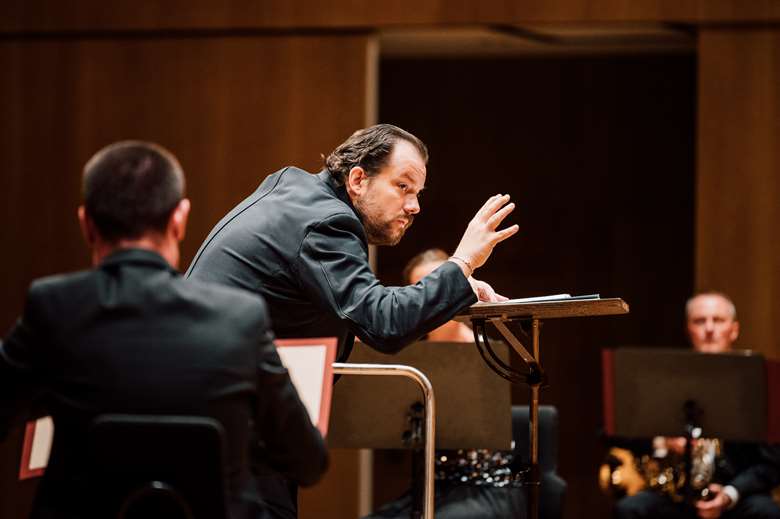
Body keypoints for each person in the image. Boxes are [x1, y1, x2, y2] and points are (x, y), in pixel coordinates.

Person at [186, 123, 519, 518]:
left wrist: (457, 284)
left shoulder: (296, 195)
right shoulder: (327, 222)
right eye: (402, 187)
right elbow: (383, 322)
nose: (415, 206)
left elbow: (362, 308)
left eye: (418, 193)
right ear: (358, 179)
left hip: (207, 411)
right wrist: (462, 263)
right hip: (235, 428)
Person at [0, 141, 328, 519]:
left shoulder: (54, 309)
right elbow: (308, 462)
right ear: (180, 219)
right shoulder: (240, 319)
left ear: (86, 223)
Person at [364, 248, 525, 519]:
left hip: (485, 485)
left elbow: (476, 429)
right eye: (424, 291)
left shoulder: (482, 347)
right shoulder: (411, 355)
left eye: (440, 287)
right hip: (433, 486)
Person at [614, 292, 780, 519]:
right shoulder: (664, 379)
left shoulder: (760, 383)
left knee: (767, 512)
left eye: (718, 320)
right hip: (675, 494)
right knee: (630, 510)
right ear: (688, 329)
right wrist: (663, 441)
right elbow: (611, 429)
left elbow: (772, 461)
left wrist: (731, 493)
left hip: (736, 493)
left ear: (734, 329)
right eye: (700, 321)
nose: (709, 328)